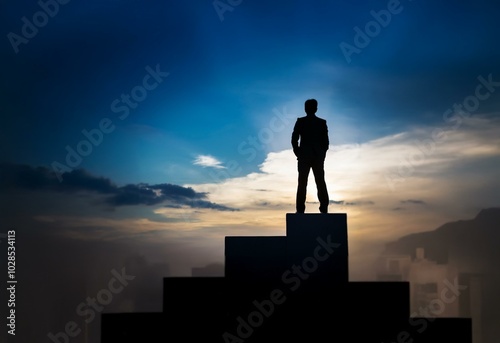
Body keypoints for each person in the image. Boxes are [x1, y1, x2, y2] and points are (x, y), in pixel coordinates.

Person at [291, 99, 329, 213]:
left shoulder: (320, 123)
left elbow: (326, 142)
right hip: (308, 156)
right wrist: (298, 152)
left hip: (312, 156)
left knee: (315, 182)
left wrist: (321, 154)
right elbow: (294, 138)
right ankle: (303, 209)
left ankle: (321, 208)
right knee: (307, 182)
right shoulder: (303, 122)